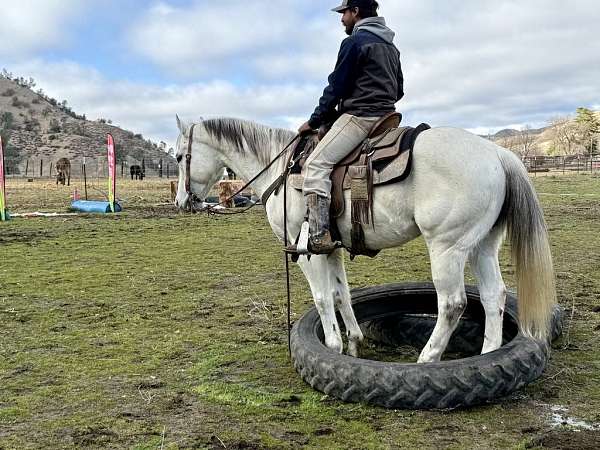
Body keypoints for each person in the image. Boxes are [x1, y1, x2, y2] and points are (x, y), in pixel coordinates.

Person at [293, 0, 404, 254]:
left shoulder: (354, 42)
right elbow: (398, 90)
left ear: (355, 11)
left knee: (315, 164)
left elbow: (335, 88)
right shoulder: (391, 47)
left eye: (343, 13)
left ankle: (319, 234)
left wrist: (314, 120)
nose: (341, 19)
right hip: (387, 117)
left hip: (360, 118)